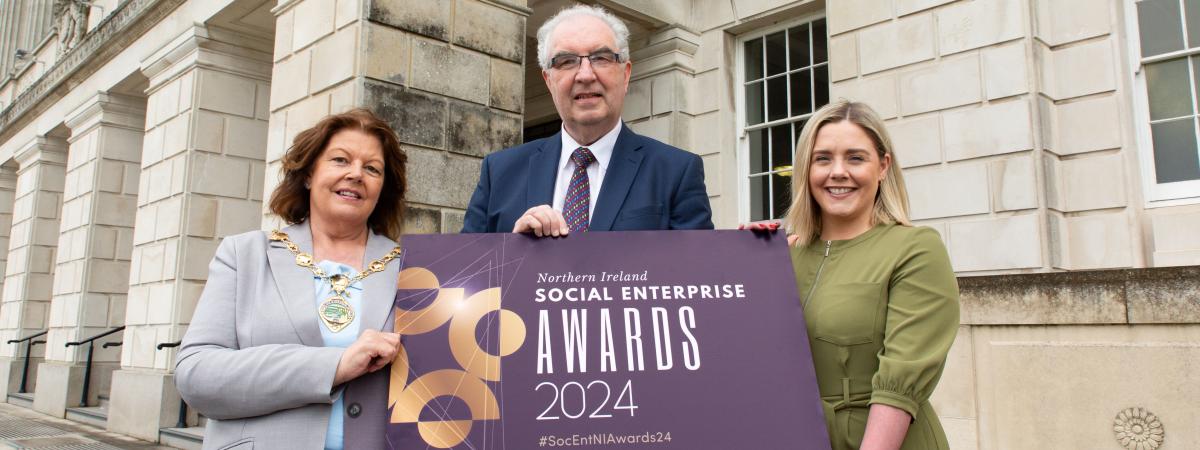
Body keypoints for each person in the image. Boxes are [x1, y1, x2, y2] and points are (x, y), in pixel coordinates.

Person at [175, 109, 407, 450]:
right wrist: (334, 366)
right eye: (340, 160)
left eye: (372, 168)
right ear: (310, 173)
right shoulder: (245, 255)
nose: (356, 174)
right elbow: (197, 375)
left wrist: (515, 248)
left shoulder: (413, 269)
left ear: (382, 187)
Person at [785, 100, 959, 449]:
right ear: (806, 169)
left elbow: (899, 384)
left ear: (883, 166)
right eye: (823, 159)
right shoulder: (785, 255)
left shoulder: (915, 249)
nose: (837, 171)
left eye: (855, 157)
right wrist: (745, 264)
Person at [461, 5, 713, 235]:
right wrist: (514, 251)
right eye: (566, 61)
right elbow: (464, 276)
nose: (585, 74)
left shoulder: (676, 171)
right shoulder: (499, 172)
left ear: (625, 75)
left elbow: (700, 276)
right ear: (549, 80)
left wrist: (751, 252)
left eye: (601, 58)